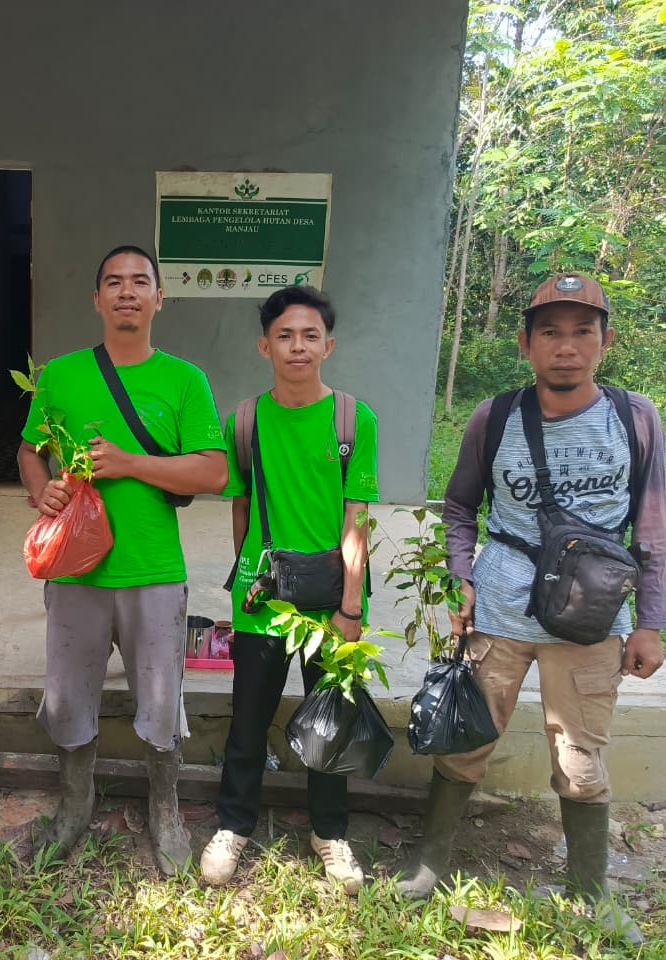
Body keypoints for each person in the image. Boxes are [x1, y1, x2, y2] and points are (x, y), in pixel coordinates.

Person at [397, 273, 666, 944]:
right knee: (466, 740)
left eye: (583, 332)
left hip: (590, 618)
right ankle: (430, 862)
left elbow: (653, 524)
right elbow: (459, 506)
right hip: (498, 610)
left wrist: (651, 623)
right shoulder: (494, 417)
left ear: (605, 342)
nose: (566, 346)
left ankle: (590, 891)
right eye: (550, 332)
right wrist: (461, 577)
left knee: (580, 757)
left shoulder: (635, 418)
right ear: (526, 344)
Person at [17, 244, 228, 874]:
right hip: (75, 567)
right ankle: (74, 805)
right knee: (68, 698)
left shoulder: (185, 379)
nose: (127, 292)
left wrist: (131, 463)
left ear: (160, 298)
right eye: (114, 282)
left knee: (161, 704)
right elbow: (30, 451)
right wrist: (40, 489)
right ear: (97, 299)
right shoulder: (60, 376)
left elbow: (213, 472)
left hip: (153, 569)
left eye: (140, 282)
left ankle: (165, 810)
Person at [198, 286, 379, 892]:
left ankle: (330, 833)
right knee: (248, 719)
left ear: (329, 345)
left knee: (331, 720)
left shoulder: (353, 419)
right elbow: (241, 508)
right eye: (284, 335)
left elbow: (357, 518)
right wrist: (249, 576)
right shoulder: (244, 421)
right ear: (264, 346)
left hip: (333, 602)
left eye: (309, 336)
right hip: (261, 604)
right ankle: (234, 826)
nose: (297, 346)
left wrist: (350, 606)